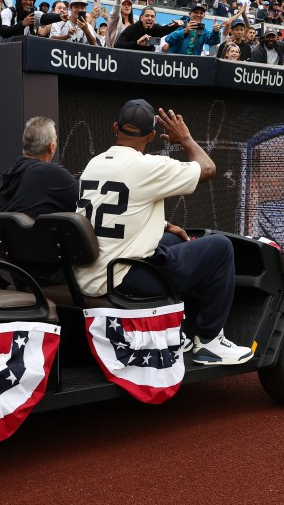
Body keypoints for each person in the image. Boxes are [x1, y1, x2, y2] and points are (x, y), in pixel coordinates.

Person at [74, 99, 253, 365]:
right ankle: (210, 341)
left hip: (89, 273)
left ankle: (177, 329)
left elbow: (118, 209)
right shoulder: (148, 165)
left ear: (115, 128)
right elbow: (208, 169)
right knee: (221, 247)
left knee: (171, 239)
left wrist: (164, 225)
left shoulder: (94, 164)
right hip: (122, 279)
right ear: (151, 136)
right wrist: (186, 139)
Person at [0, 116, 77, 217]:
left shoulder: (9, 178)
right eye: (56, 140)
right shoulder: (51, 174)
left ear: (23, 142)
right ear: (51, 147)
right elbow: (86, 203)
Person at [114, 6, 183, 51]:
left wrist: (176, 25)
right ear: (141, 18)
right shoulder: (132, 28)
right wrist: (137, 43)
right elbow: (117, 45)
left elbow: (165, 29)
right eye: (147, 16)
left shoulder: (156, 29)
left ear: (155, 19)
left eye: (152, 16)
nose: (150, 18)